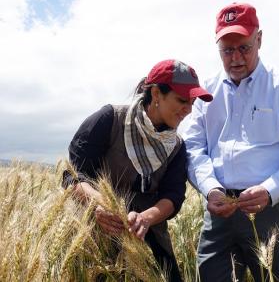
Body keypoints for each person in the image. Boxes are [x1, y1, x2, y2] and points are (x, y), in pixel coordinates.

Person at [179, 3, 279, 282]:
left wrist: (270, 190)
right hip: (219, 213)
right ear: (217, 48)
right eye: (227, 50)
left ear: (259, 39)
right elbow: (191, 147)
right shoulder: (205, 93)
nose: (235, 58)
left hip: (275, 212)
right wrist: (211, 188)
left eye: (244, 48)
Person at [62, 59, 213, 282]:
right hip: (94, 240)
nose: (188, 110)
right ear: (155, 94)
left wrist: (145, 218)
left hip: (149, 242)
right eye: (182, 100)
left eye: (192, 102)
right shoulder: (108, 120)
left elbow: (172, 196)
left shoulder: (177, 147)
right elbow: (73, 176)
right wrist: (101, 204)